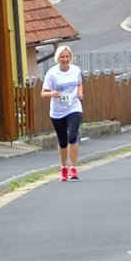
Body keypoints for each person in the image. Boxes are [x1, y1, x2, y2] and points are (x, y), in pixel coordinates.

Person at [41, 45, 83, 181]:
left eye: (67, 57)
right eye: (62, 57)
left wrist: (80, 92)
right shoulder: (52, 73)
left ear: (70, 57)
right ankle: (64, 167)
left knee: (72, 136)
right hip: (58, 111)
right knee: (63, 141)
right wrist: (51, 93)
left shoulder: (76, 70)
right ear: (57, 58)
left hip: (73, 107)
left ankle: (74, 167)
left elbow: (79, 83)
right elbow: (43, 93)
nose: (65, 59)